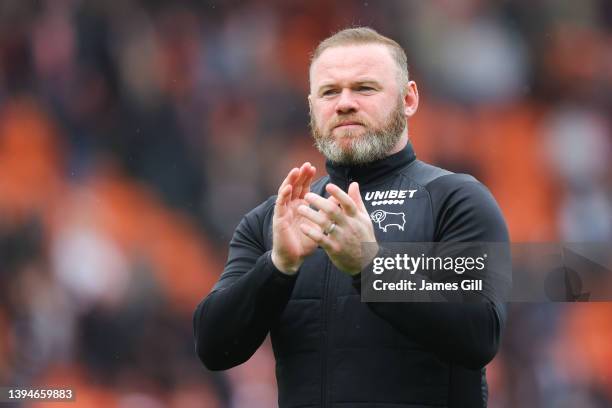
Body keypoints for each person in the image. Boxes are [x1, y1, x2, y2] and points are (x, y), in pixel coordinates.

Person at [193, 27, 509, 408]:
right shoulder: (275, 220)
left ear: (408, 98)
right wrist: (277, 266)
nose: (344, 103)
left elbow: (479, 335)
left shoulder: (456, 200)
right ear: (312, 106)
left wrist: (370, 266)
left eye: (364, 88)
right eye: (329, 91)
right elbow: (213, 347)